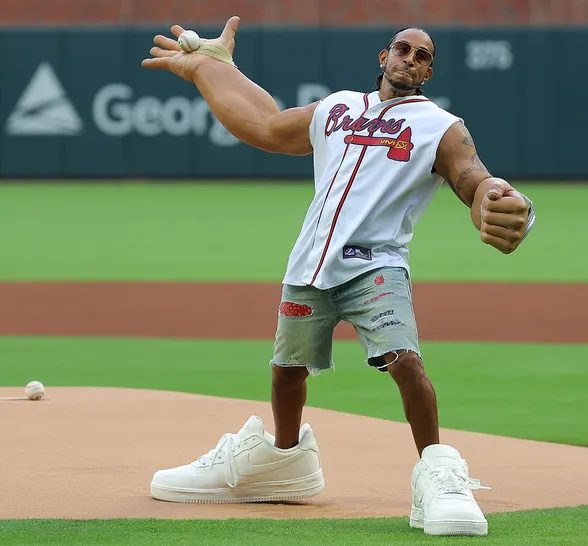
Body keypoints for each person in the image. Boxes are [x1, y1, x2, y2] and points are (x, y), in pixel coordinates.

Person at [141, 17, 535, 536]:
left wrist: (500, 199)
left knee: (406, 363)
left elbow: (473, 177)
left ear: (429, 71)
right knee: (286, 372)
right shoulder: (338, 108)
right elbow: (264, 122)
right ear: (383, 57)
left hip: (377, 265)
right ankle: (282, 461)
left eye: (422, 55)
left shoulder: (439, 125)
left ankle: (436, 472)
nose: (410, 58)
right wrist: (212, 72)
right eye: (402, 48)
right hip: (311, 263)